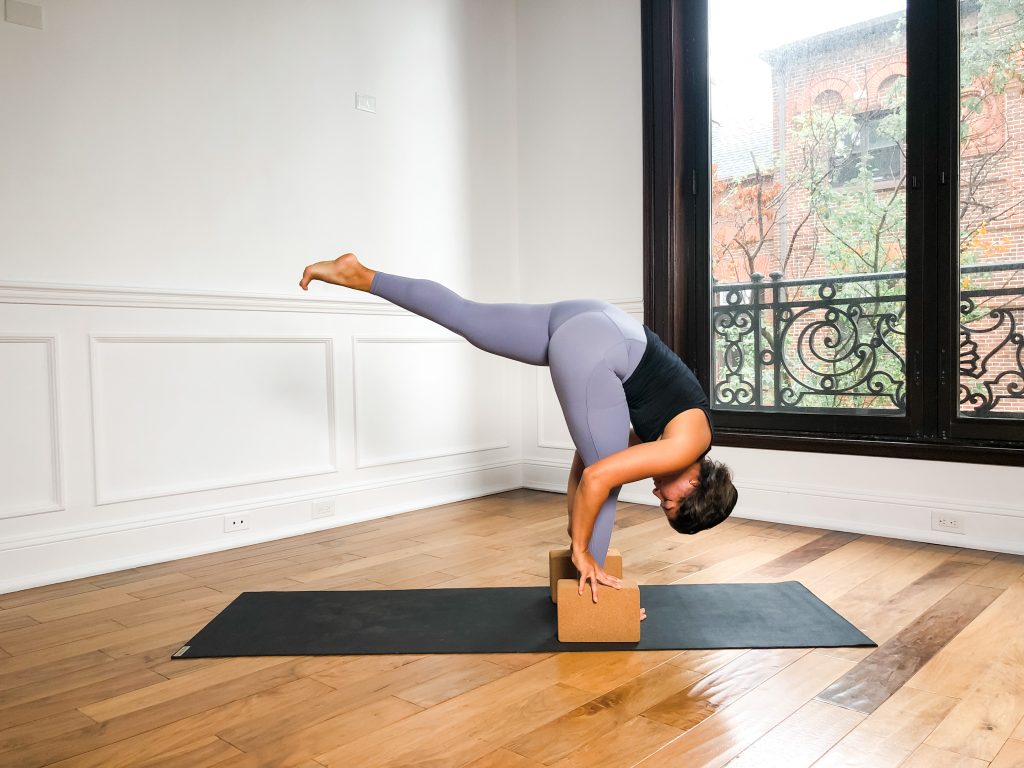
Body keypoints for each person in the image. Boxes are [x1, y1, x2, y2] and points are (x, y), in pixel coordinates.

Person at [299, 253, 738, 611]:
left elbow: (588, 461)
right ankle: (594, 600)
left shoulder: (680, 431)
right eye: (673, 501)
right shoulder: (685, 446)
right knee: (607, 489)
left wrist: (577, 535)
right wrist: (581, 550)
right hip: (598, 344)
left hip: (594, 318)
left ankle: (359, 275)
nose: (660, 497)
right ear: (695, 481)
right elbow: (598, 479)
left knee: (467, 318)